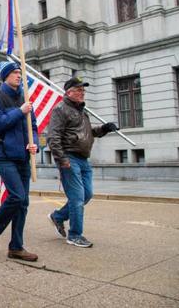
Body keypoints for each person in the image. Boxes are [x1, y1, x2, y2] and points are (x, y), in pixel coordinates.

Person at [46, 77, 118, 248]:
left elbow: (87, 133)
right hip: (70, 158)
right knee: (77, 197)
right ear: (69, 92)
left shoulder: (81, 111)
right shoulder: (60, 110)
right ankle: (75, 235)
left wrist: (104, 129)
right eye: (78, 90)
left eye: (83, 90)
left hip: (84, 159)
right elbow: (53, 137)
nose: (82, 93)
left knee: (87, 195)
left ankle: (58, 216)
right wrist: (62, 160)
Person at [0, 61, 39, 262]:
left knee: (23, 203)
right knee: (17, 196)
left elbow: (34, 127)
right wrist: (20, 111)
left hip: (22, 156)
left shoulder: (25, 99)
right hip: (3, 154)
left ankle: (16, 247)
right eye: (15, 72)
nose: (18, 76)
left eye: (20, 73)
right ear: (6, 76)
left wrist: (35, 144)